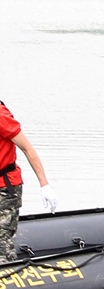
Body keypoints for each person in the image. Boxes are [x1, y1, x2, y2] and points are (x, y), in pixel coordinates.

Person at [0, 98, 54, 255]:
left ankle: (6, 265)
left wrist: (44, 185)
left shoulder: (1, 116)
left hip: (5, 188)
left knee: (2, 244)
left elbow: (27, 148)